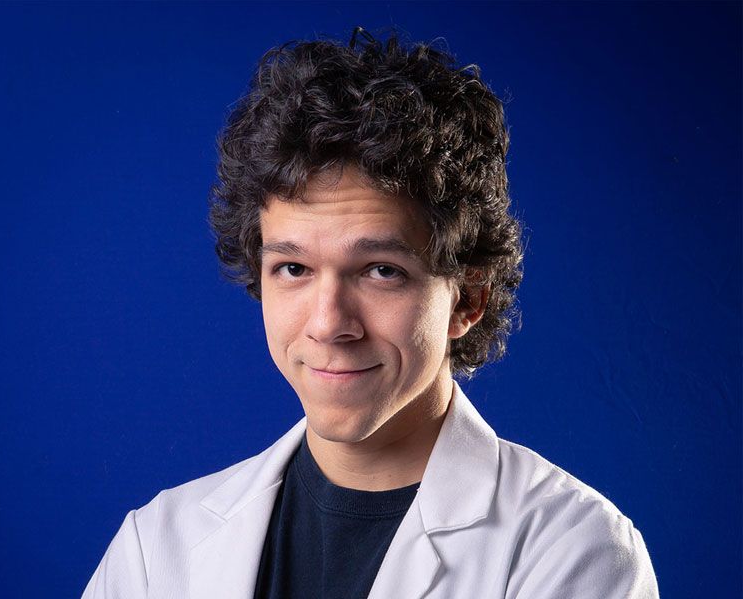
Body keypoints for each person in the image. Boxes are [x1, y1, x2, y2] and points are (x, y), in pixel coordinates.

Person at [83, 29, 659, 599]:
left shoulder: (572, 553)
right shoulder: (158, 547)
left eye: (381, 270)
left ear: (468, 299)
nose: (329, 323)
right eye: (293, 268)